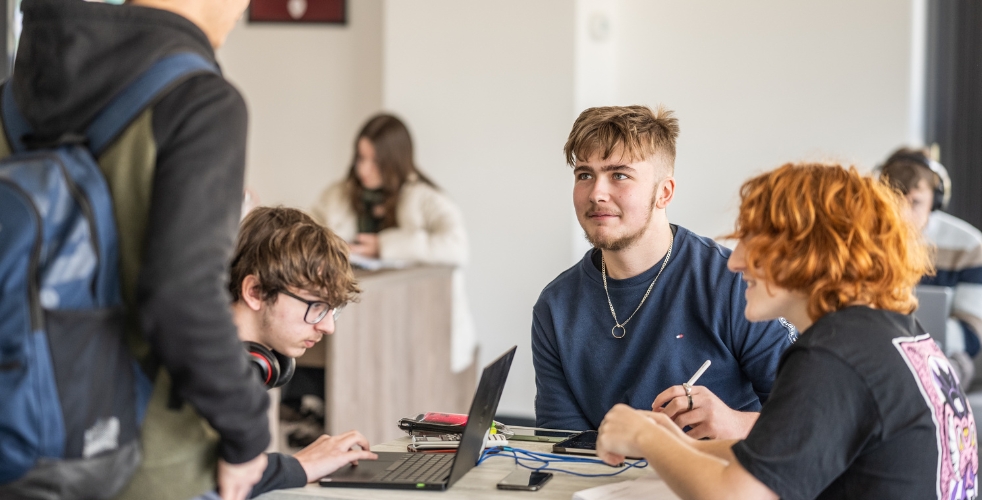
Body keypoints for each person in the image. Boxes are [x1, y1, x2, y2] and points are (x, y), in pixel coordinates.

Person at [596, 163, 978, 499]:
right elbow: (772, 455)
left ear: (811, 250)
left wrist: (646, 437)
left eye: (754, 241)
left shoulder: (834, 356)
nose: (737, 261)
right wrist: (673, 443)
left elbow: (738, 495)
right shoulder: (890, 332)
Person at [12, 1, 270, 499]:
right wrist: (248, 431)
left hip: (20, 444)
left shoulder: (14, 95)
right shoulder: (201, 102)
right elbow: (182, 300)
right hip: (148, 462)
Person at [532, 105, 795, 439]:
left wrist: (735, 424)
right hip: (607, 487)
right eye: (585, 174)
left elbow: (813, 419)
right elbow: (562, 445)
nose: (597, 193)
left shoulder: (733, 283)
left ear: (664, 192)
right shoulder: (554, 307)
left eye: (619, 175)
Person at [227, 207, 377, 498]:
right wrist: (298, 466)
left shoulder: (246, 366)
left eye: (333, 310)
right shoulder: (197, 369)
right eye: (316, 306)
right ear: (256, 291)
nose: (328, 327)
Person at [311, 113, 476, 372]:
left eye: (375, 161)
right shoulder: (337, 196)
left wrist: (385, 246)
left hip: (416, 324)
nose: (364, 169)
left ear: (394, 161)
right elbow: (307, 238)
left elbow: (457, 247)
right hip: (354, 319)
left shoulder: (426, 199)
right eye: (360, 157)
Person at [879, 147, 982, 384]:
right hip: (880, 347)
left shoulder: (970, 247)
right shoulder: (866, 241)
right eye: (894, 200)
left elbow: (972, 334)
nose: (902, 214)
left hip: (946, 355)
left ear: (935, 202)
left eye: (915, 202)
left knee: (939, 376)